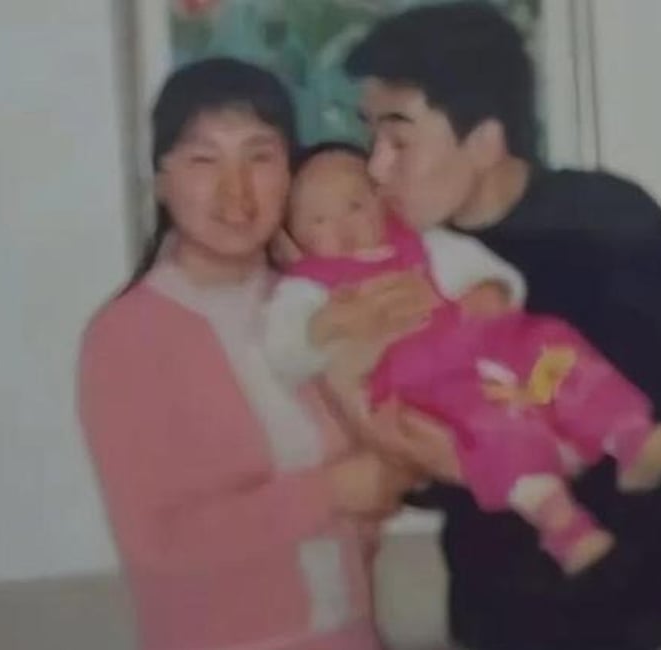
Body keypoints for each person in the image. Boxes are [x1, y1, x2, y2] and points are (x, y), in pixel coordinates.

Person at [341, 3, 661, 649]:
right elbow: (413, 450)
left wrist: (474, 458)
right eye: (370, 137)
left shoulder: (612, 228)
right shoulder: (412, 268)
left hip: (647, 610)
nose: (376, 167)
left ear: (485, 141)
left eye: (400, 140)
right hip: (500, 615)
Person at [77, 58, 422, 650]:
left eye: (260, 157)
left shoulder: (316, 309)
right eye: (204, 160)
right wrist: (334, 492)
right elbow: (160, 539)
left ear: (289, 172)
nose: (236, 190)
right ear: (160, 180)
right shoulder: (126, 336)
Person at [264, 142, 661, 576]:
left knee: (554, 346)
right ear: (292, 238)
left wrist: (493, 289)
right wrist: (321, 328)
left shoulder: (426, 241)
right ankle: (561, 523)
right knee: (495, 424)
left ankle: (627, 435)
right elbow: (282, 351)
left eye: (354, 205)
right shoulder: (307, 287)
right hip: (429, 384)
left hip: (493, 345)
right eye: (317, 220)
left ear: (382, 202)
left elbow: (487, 269)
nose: (341, 226)